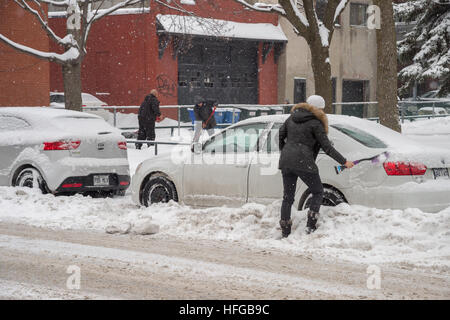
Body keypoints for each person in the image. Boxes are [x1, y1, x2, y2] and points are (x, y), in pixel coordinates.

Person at [278, 95, 354, 237]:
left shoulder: (291, 118)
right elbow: (327, 148)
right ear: (319, 109)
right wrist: (344, 162)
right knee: (318, 191)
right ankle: (310, 227)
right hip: (304, 162)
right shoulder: (316, 123)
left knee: (288, 197)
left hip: (286, 161)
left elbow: (280, 134)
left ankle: (285, 230)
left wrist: (285, 151)